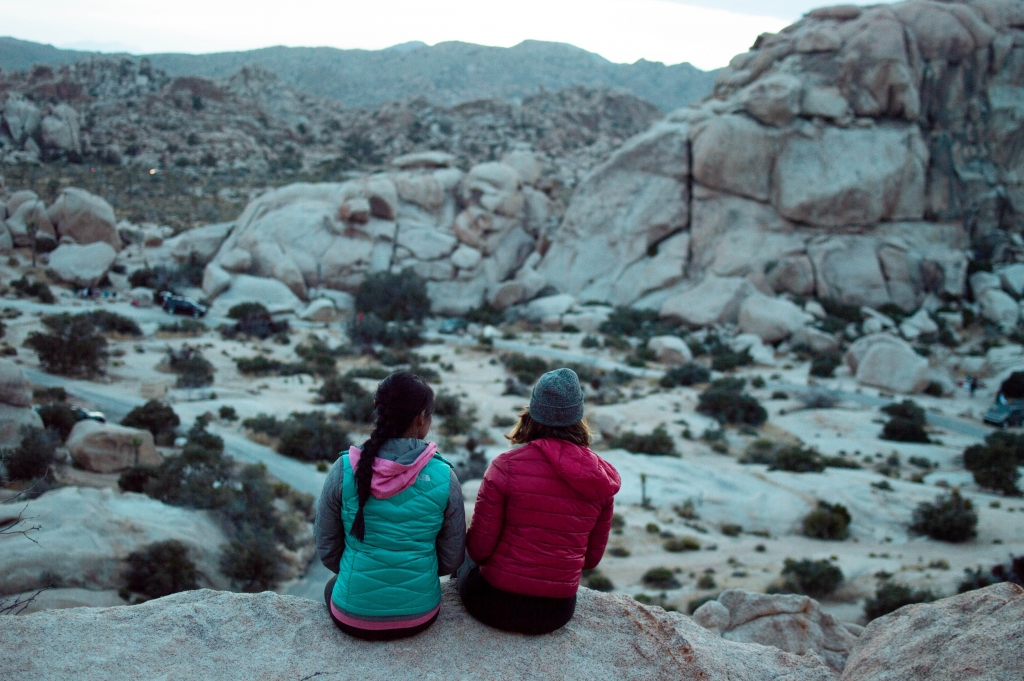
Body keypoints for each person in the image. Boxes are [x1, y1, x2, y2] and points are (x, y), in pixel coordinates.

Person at [458, 368, 621, 635]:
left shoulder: (505, 467)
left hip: (493, 602)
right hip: (555, 613)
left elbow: (479, 550)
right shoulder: (600, 479)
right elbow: (590, 560)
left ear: (532, 412)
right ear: (578, 417)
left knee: (464, 557)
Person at [314, 371, 465, 641]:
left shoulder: (344, 469)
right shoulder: (444, 476)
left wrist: (357, 571)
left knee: (333, 587)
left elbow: (327, 548)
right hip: (420, 615)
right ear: (421, 418)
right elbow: (452, 558)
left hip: (352, 616)